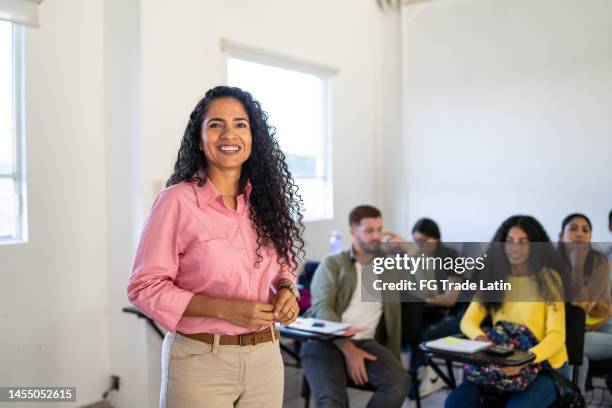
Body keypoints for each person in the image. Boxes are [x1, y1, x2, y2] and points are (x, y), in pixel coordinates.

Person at [127, 86, 304, 408]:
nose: (229, 134)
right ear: (199, 138)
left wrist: (286, 289)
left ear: (254, 137)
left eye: (240, 124)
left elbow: (285, 264)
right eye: (215, 124)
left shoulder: (266, 202)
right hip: (202, 360)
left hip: (266, 356)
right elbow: (144, 287)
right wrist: (224, 308)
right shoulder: (176, 202)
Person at [445, 215, 569, 408]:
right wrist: (482, 340)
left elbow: (556, 336)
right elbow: (468, 321)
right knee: (455, 403)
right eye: (509, 242)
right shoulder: (494, 276)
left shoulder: (549, 279)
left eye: (523, 243)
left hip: (543, 367)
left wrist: (524, 360)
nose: (514, 249)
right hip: (501, 364)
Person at [300, 205, 410, 408]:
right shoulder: (333, 263)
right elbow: (322, 308)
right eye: (369, 231)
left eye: (379, 229)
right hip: (324, 342)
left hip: (366, 342)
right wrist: (347, 348)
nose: (376, 236)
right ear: (352, 231)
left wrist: (409, 249)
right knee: (332, 403)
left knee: (399, 383)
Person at [404, 218, 465, 399]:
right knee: (409, 328)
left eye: (423, 240)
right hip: (430, 313)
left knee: (418, 335)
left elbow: (450, 300)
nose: (419, 245)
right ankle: (420, 376)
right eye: (416, 241)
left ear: (435, 238)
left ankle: (427, 376)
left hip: (454, 316)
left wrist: (422, 297)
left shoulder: (451, 257)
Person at [558, 213, 612, 392]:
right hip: (573, 328)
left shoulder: (600, 262)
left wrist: (577, 267)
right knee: (576, 349)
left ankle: (572, 400)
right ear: (561, 236)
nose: (579, 234)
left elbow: (580, 308)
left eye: (585, 230)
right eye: (573, 229)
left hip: (603, 327)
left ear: (590, 237)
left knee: (574, 345)